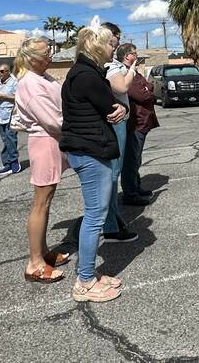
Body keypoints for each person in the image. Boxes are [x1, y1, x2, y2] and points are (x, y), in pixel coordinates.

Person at [61, 25, 127, 303]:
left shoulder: (83, 72)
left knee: (94, 214)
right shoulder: (87, 76)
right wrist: (121, 109)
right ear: (97, 46)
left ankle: (89, 274)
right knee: (95, 217)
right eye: (110, 45)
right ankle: (85, 281)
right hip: (90, 151)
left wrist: (119, 108)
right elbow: (111, 107)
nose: (114, 49)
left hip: (86, 148)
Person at [12, 36, 72, 283]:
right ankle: (34, 263)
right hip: (45, 141)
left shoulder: (42, 78)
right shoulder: (29, 82)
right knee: (41, 202)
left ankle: (44, 252)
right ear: (32, 58)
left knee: (46, 200)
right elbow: (51, 120)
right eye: (47, 52)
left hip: (53, 140)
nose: (51, 55)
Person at [102, 25, 142, 239]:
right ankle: (110, 225)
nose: (117, 41)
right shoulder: (109, 64)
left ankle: (111, 218)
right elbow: (122, 88)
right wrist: (133, 69)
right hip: (115, 121)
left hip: (118, 119)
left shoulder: (110, 63)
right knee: (112, 172)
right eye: (116, 37)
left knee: (112, 172)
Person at [124, 53, 159, 203]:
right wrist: (147, 91)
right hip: (136, 123)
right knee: (131, 159)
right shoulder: (125, 73)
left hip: (144, 121)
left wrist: (147, 89)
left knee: (136, 158)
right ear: (127, 56)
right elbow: (141, 95)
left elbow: (150, 87)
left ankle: (136, 187)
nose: (137, 57)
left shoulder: (135, 73)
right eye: (134, 53)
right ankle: (130, 194)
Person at [0, 62, 20, 175]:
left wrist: (3, 96)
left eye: (2, 71)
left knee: (11, 138)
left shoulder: (14, 82)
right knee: (5, 139)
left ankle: (14, 162)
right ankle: (7, 164)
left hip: (10, 113)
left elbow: (19, 97)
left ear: (8, 72)